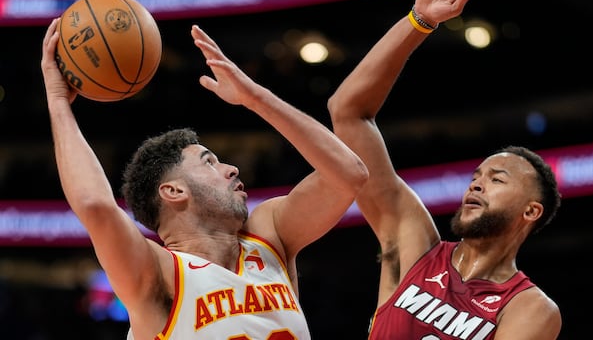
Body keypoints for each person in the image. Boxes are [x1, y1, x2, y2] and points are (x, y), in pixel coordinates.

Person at [40, 19, 368, 339]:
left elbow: (349, 174)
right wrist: (57, 100)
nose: (232, 169)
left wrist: (255, 98)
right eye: (209, 162)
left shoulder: (269, 234)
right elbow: (95, 204)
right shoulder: (159, 274)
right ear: (173, 190)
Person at [327, 0, 562, 340]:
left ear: (531, 210)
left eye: (497, 179)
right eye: (477, 175)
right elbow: (348, 112)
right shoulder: (414, 245)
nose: (477, 183)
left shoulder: (530, 307)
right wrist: (418, 22)